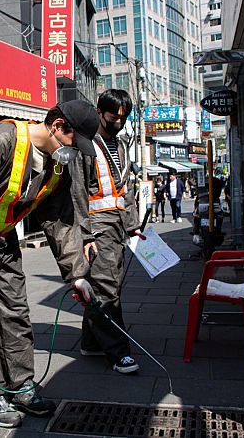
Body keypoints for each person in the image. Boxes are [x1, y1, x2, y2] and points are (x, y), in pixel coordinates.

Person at [0, 99, 98, 428]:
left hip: (4, 239)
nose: (73, 151)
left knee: (15, 313)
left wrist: (77, 276)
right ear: (56, 126)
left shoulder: (56, 165)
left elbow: (60, 221)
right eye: (72, 141)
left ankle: (21, 386)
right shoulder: (0, 141)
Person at [75, 89, 141, 374]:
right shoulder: (84, 144)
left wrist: (132, 224)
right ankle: (118, 353)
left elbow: (123, 188)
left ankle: (91, 343)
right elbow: (77, 192)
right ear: (99, 112)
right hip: (96, 226)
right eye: (114, 116)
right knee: (106, 290)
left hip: (116, 225)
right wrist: (85, 234)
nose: (119, 121)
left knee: (103, 286)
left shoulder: (121, 145)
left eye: (123, 117)